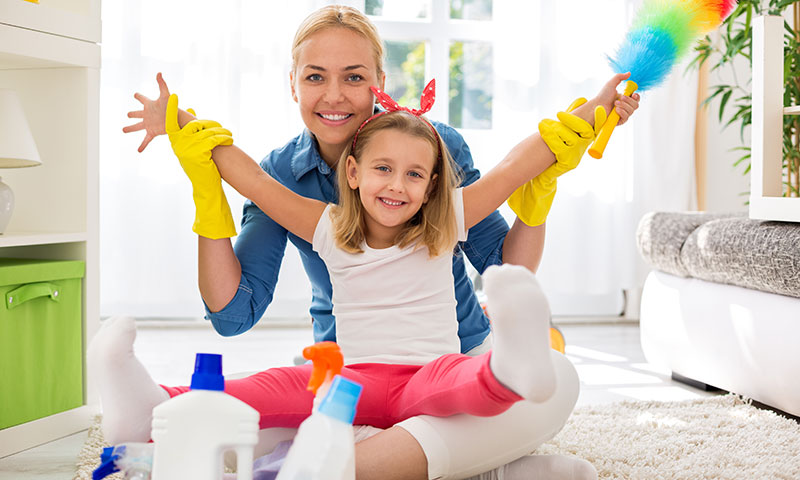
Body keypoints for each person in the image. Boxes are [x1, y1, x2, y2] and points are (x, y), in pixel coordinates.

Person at [117, 6, 639, 479]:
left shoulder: (438, 171)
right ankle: (490, 469)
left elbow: (512, 202)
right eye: (315, 76)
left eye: (355, 77)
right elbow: (234, 302)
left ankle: (330, 468)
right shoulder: (310, 205)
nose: (335, 94)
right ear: (293, 84)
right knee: (259, 404)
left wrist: (575, 136)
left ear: (379, 83)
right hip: (347, 372)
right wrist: (195, 156)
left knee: (553, 380)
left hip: (456, 361)